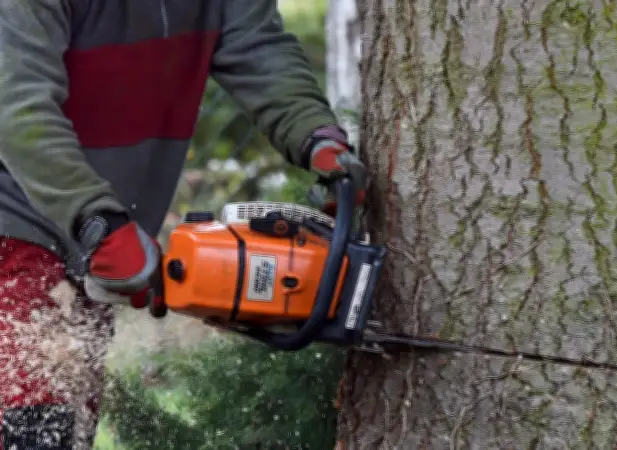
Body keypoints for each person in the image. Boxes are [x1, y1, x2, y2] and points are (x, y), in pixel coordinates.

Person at [0, 0, 367, 448]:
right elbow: (15, 107)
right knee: (33, 427)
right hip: (19, 220)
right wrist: (97, 222)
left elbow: (258, 48)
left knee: (67, 424)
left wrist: (315, 136)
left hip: (94, 233)